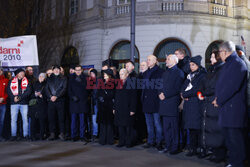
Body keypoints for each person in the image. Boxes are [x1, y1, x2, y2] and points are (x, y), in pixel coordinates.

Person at [213, 41, 248, 167]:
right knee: (229, 138)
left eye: (220, 53)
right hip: (227, 107)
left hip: (234, 109)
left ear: (225, 51)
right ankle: (233, 161)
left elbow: (232, 87)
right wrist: (217, 98)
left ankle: (238, 163)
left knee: (235, 139)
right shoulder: (229, 64)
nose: (219, 56)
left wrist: (219, 99)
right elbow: (223, 85)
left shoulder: (238, 64)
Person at [198, 49, 226, 162]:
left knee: (217, 130)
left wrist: (204, 92)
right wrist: (200, 92)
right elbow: (203, 84)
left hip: (215, 103)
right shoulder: (211, 69)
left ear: (218, 58)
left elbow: (214, 87)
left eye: (212, 57)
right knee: (210, 129)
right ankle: (213, 151)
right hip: (207, 102)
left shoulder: (222, 69)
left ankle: (220, 154)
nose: (210, 59)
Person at [181, 55, 206, 156]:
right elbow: (183, 87)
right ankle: (192, 148)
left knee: (198, 128)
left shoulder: (202, 75)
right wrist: (182, 93)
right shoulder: (189, 75)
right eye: (190, 65)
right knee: (190, 128)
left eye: (193, 65)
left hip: (197, 104)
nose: (191, 67)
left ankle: (200, 148)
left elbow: (197, 89)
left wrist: (185, 94)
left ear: (198, 65)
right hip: (189, 105)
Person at [158, 54, 184, 154]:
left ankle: (175, 147)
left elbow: (177, 88)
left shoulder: (179, 72)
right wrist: (159, 93)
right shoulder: (165, 72)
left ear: (175, 61)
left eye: (168, 59)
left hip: (172, 103)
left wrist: (165, 94)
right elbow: (159, 84)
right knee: (166, 128)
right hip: (164, 103)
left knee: (174, 128)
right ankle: (168, 146)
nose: (166, 61)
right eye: (166, 59)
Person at [142, 55, 164, 150]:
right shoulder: (145, 73)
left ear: (155, 61)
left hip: (155, 102)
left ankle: (159, 141)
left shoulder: (160, 72)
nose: (148, 61)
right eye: (147, 59)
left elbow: (160, 87)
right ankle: (151, 141)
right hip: (146, 102)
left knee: (157, 123)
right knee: (149, 124)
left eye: (150, 59)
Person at [113, 68, 137, 148]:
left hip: (128, 108)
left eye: (122, 74)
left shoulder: (131, 82)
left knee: (128, 127)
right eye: (119, 74)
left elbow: (134, 97)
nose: (120, 75)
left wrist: (132, 109)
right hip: (119, 108)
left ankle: (128, 142)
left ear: (127, 74)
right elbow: (116, 96)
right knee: (120, 126)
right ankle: (121, 142)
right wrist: (114, 108)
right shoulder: (118, 83)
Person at [7, 68, 32, 141]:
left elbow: (28, 91)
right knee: (13, 120)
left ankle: (25, 135)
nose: (22, 74)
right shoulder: (11, 81)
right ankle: (13, 135)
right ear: (17, 74)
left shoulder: (27, 81)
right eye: (21, 72)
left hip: (24, 103)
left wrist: (20, 97)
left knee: (25, 119)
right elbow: (8, 91)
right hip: (14, 103)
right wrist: (13, 98)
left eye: (23, 73)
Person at [45, 65, 67, 140]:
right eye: (55, 69)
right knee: (51, 118)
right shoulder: (49, 78)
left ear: (60, 70)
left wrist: (56, 96)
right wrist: (51, 96)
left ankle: (62, 134)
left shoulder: (64, 78)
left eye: (58, 69)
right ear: (53, 70)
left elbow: (64, 89)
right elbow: (46, 89)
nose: (56, 71)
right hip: (51, 101)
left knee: (61, 118)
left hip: (60, 101)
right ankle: (52, 134)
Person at [68, 65, 89, 142]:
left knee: (82, 121)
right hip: (74, 102)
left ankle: (82, 135)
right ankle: (74, 135)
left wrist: (82, 82)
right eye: (76, 70)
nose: (78, 71)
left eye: (79, 70)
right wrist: (73, 97)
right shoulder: (71, 78)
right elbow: (69, 90)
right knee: (74, 120)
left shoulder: (86, 78)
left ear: (82, 70)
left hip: (83, 102)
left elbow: (88, 89)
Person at [97, 69, 115, 145]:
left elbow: (112, 93)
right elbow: (98, 92)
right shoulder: (101, 82)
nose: (104, 75)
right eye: (104, 74)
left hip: (109, 105)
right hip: (102, 106)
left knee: (109, 124)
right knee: (103, 124)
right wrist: (99, 97)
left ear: (110, 75)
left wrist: (104, 97)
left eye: (106, 74)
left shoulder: (113, 83)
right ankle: (102, 140)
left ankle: (109, 140)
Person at [29, 73, 48, 140]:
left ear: (45, 78)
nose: (41, 77)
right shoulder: (34, 84)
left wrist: (41, 96)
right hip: (34, 105)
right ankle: (32, 136)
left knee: (42, 121)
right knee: (33, 121)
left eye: (43, 76)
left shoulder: (46, 84)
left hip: (42, 105)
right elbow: (30, 93)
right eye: (40, 76)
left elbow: (48, 94)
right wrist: (35, 94)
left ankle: (41, 136)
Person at [89, 68, 99, 141]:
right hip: (90, 103)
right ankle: (91, 132)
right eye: (90, 74)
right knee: (91, 119)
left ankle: (95, 133)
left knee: (94, 119)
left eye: (92, 73)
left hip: (95, 103)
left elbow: (96, 93)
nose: (91, 75)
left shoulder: (97, 82)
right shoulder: (89, 82)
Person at [0, 68, 8, 141]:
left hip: (3, 104)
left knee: (2, 121)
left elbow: (8, 92)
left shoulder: (5, 80)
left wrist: (4, 98)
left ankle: (0, 136)